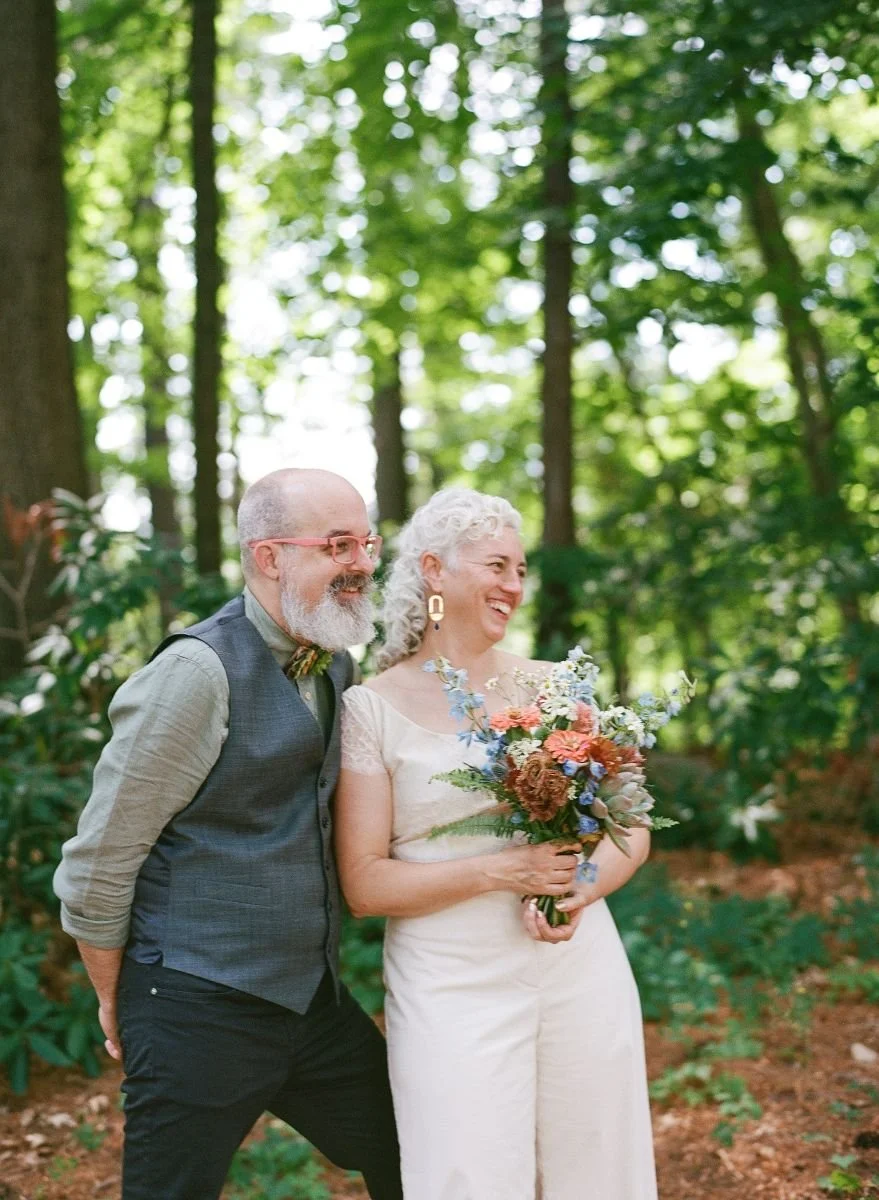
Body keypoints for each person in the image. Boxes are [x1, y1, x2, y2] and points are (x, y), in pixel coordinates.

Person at [53, 468, 403, 1200]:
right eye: (338, 544)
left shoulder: (332, 658)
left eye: (365, 542)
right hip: (193, 1005)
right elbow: (99, 864)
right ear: (270, 556)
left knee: (415, 1143)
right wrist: (123, 999)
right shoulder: (195, 672)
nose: (364, 563)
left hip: (312, 1002)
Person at [335, 487, 657, 1200]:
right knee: (466, 1174)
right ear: (433, 572)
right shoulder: (369, 708)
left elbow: (630, 826)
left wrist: (581, 888)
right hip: (448, 981)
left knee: (599, 1161)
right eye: (496, 566)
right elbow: (363, 884)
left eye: (520, 569)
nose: (513, 585)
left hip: (577, 966)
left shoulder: (556, 688)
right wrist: (500, 870)